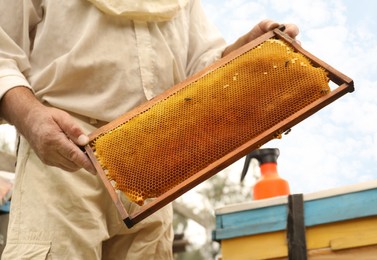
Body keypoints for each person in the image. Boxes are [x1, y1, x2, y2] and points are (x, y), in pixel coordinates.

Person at [0, 0, 299, 259]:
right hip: (65, 157)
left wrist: (241, 55)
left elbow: (202, 67)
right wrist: (31, 117)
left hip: (154, 166)